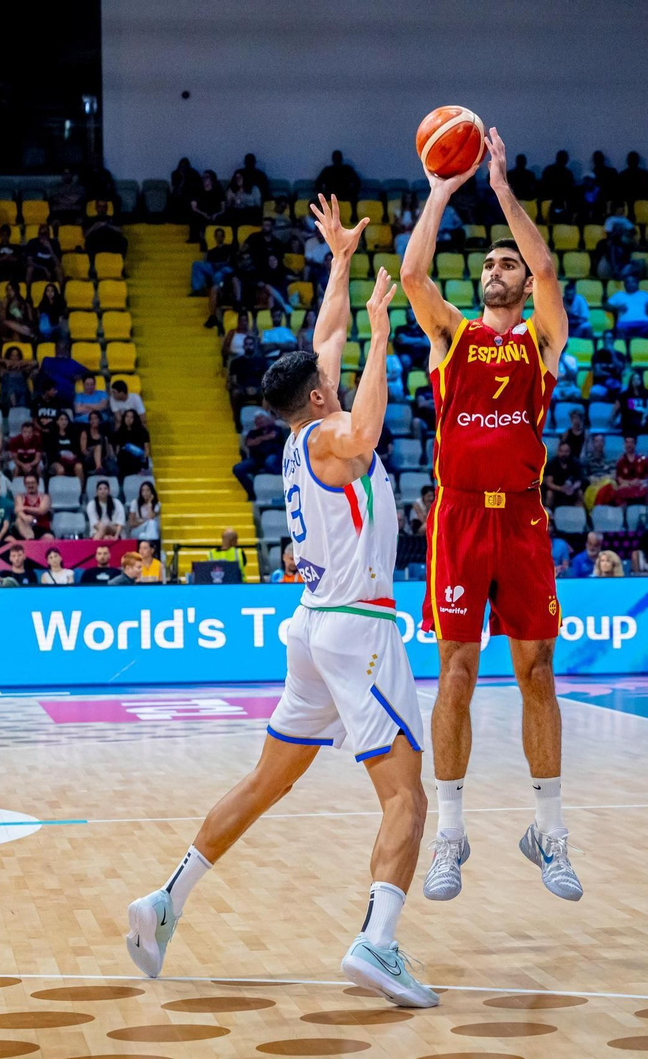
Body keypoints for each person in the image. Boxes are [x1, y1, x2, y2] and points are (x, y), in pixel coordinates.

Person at [125, 241, 434, 1005]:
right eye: (332, 377)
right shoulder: (330, 437)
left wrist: (340, 264)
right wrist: (382, 334)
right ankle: (378, 941)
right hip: (359, 629)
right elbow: (363, 432)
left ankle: (165, 900)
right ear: (321, 394)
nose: (337, 372)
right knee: (406, 796)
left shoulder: (300, 435)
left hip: (313, 628)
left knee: (268, 780)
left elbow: (325, 334)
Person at [399, 128, 581, 905]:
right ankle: (450, 834)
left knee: (537, 672)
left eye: (506, 262)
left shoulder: (543, 339)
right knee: (457, 673)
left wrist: (502, 188)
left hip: (524, 519)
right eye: (488, 265)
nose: (497, 269)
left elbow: (548, 269)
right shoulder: (453, 336)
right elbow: (412, 274)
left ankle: (550, 831)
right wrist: (441, 189)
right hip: (461, 518)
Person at [12, 473, 53, 540]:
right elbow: (18, 511)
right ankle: (30, 539)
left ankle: (31, 541)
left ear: (38, 484)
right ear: (25, 484)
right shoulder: (20, 497)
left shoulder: (45, 497)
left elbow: (41, 511)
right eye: (28, 483)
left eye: (32, 483)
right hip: (25, 526)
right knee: (19, 520)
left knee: (49, 537)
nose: (30, 485)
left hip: (41, 528)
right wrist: (25, 518)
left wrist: (25, 508)